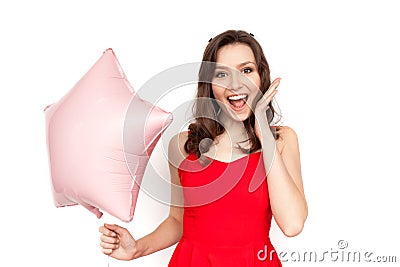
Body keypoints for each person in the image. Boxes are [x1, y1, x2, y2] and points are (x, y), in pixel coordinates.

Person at [99, 30, 308, 266]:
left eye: (247, 70)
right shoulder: (182, 146)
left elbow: (292, 225)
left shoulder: (281, 141)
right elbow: (178, 222)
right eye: (222, 74)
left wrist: (263, 130)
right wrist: (136, 249)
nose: (235, 83)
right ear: (209, 84)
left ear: (261, 77)